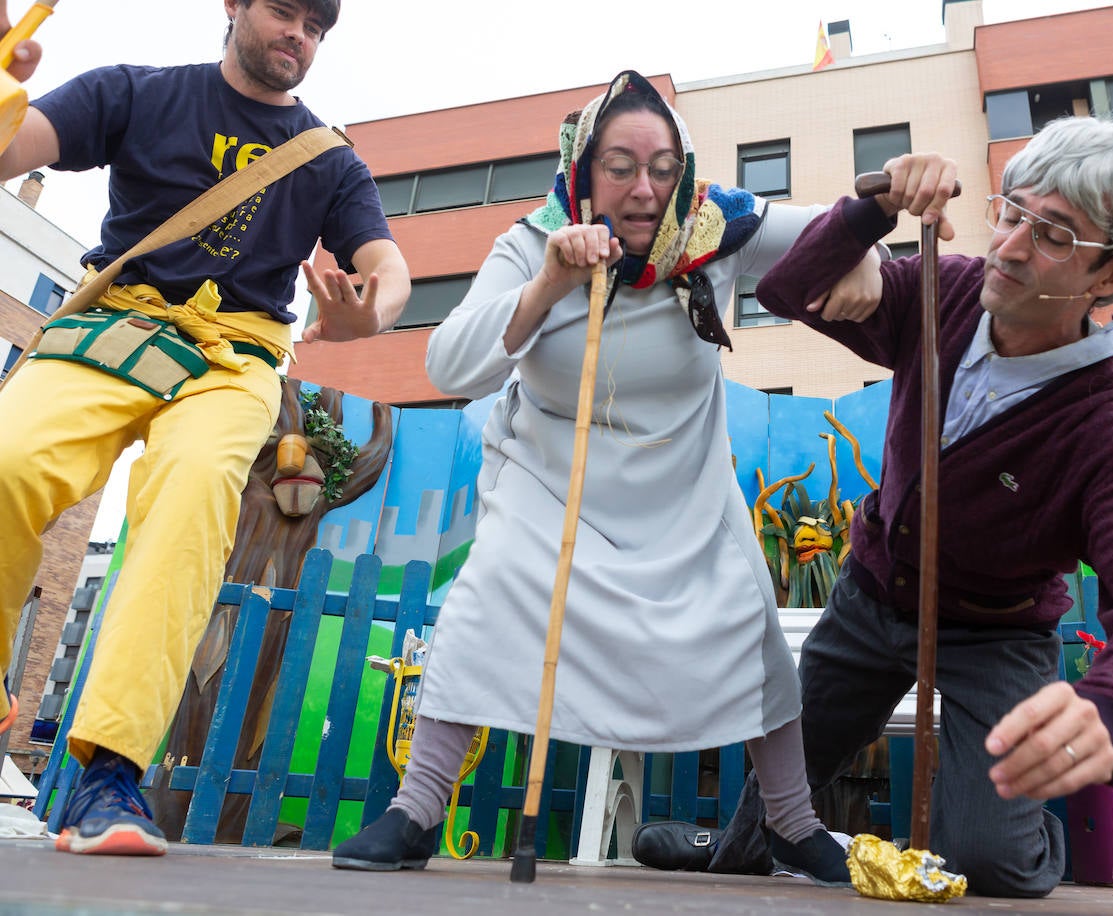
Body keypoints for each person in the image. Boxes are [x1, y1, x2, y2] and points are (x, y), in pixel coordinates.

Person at [641, 116, 1113, 896]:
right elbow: (788, 288)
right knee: (776, 806)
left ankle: (1000, 836)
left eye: (1052, 235)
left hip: (997, 633)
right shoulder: (945, 292)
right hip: (873, 596)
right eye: (1011, 211)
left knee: (988, 860)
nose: (1010, 246)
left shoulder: (1109, 427)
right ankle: (737, 843)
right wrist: (873, 210)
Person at [331, 70, 876, 885]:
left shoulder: (717, 228)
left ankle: (792, 822)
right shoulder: (531, 239)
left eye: (661, 167)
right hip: (554, 485)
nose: (644, 187)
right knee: (486, 597)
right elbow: (450, 366)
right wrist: (551, 277)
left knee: (749, 619)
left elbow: (828, 234)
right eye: (619, 166)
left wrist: (870, 232)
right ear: (584, 171)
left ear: (684, 172)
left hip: (685, 483)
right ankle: (418, 806)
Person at [0, 0, 410, 856]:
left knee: (192, 503)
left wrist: (367, 316)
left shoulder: (330, 161)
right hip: (115, 321)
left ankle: (108, 778)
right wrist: (4, 85)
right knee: (8, 458)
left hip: (234, 356)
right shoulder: (136, 92)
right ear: (233, 7)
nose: (299, 33)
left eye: (317, 24)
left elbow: (386, 269)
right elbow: (13, 150)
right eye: (283, 11)